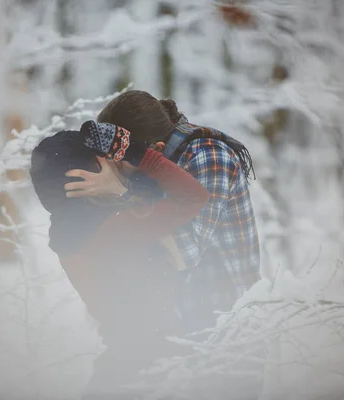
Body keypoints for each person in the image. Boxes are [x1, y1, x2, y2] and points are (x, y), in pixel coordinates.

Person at [30, 121, 210, 399]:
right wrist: (139, 153)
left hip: (123, 365)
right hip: (151, 372)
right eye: (103, 159)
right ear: (86, 178)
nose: (114, 159)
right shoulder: (116, 230)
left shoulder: (73, 228)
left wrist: (120, 190)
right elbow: (193, 197)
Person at [93, 90, 261, 333]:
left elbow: (186, 250)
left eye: (118, 158)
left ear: (156, 150)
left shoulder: (209, 157)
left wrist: (118, 193)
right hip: (175, 324)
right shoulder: (151, 167)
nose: (112, 166)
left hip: (223, 327)